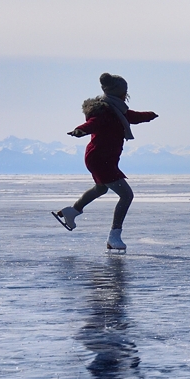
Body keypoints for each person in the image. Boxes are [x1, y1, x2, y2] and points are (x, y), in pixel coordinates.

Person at [52, 73, 159, 251]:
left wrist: (149, 115)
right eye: (124, 91)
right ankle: (114, 236)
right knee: (126, 195)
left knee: (101, 188)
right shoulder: (104, 111)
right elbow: (92, 124)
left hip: (103, 158)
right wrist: (79, 130)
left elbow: (131, 116)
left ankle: (72, 211)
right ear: (116, 92)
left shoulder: (117, 110)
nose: (126, 94)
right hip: (101, 159)